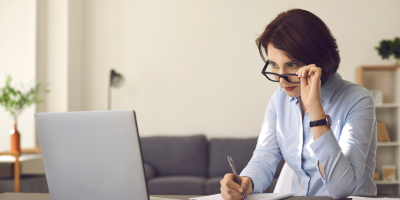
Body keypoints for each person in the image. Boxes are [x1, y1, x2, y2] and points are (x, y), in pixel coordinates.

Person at [220, 9, 377, 200]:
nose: (281, 80)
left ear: (318, 59)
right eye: (274, 65)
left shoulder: (358, 100)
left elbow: (341, 189)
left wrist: (315, 110)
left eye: (292, 65)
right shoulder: (280, 99)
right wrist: (245, 182)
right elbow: (264, 157)